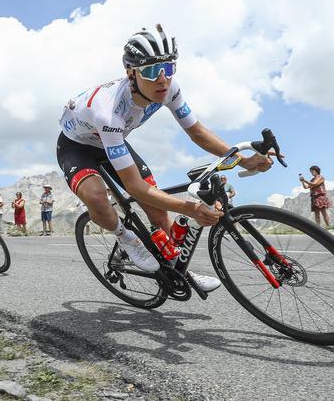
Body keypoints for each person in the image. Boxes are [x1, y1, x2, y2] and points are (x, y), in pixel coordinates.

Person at [56, 24, 272, 292]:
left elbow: (197, 132)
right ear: (130, 73)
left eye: (168, 68)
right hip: (77, 146)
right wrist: (190, 208)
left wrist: (244, 160)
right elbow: (134, 186)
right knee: (98, 197)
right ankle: (126, 238)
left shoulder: (170, 89)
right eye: (149, 70)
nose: (161, 79)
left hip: (112, 141)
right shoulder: (108, 110)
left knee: (159, 211)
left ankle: (181, 272)